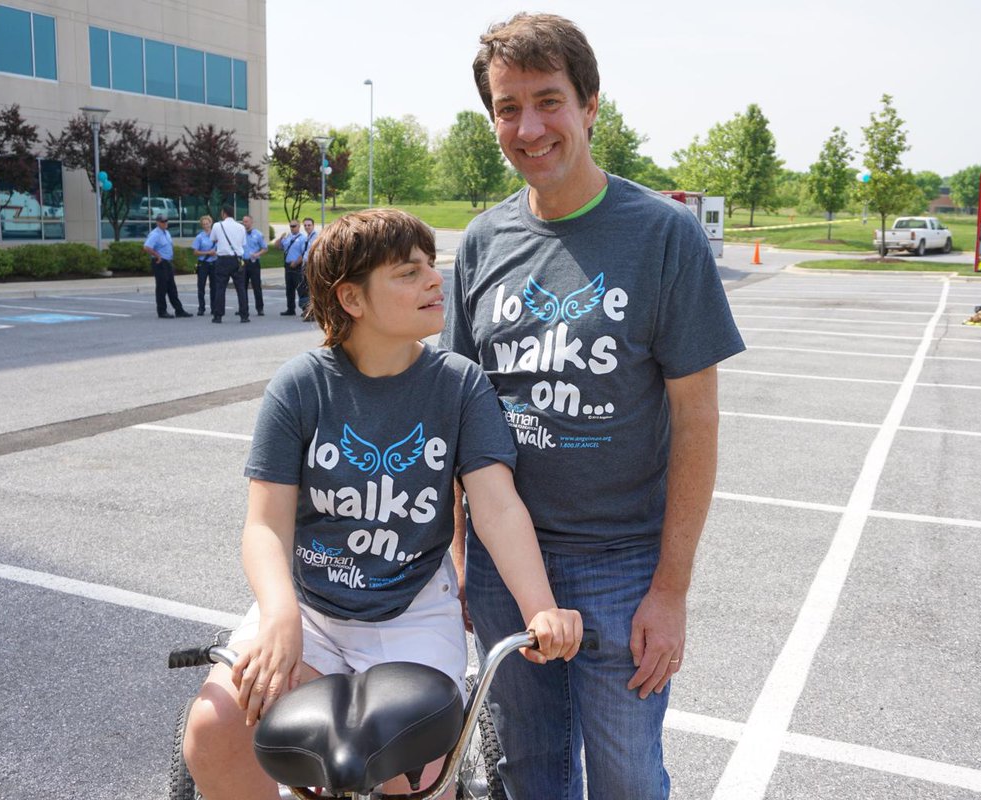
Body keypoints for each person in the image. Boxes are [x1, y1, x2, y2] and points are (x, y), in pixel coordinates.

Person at [440, 13, 745, 800]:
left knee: (628, 781)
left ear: (591, 106)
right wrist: (461, 555)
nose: (530, 126)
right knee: (529, 778)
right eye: (509, 107)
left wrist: (670, 589)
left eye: (549, 101)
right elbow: (458, 414)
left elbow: (697, 423)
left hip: (621, 564)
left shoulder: (663, 236)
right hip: (509, 571)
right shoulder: (481, 243)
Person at [182, 208, 583, 800]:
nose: (434, 280)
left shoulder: (460, 384)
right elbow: (264, 526)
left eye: (431, 266)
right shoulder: (300, 386)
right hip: (310, 612)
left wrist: (541, 607)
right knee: (213, 728)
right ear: (352, 298)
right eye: (408, 271)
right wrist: (279, 615)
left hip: (411, 615)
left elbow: (496, 507)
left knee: (409, 770)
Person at [142, 213, 191, 319]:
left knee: (172, 288)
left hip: (167, 262)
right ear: (158, 222)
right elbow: (146, 247)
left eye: (166, 221)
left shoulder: (166, 233)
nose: (165, 223)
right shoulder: (155, 234)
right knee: (162, 288)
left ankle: (179, 310)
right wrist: (157, 256)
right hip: (160, 263)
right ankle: (162, 311)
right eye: (162, 221)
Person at [210, 204, 250, 324]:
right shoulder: (241, 227)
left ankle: (218, 315)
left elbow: (213, 239)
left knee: (220, 288)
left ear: (224, 213)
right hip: (237, 259)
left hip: (223, 259)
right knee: (241, 288)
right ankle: (244, 315)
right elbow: (243, 243)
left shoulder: (217, 225)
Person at [273, 220, 307, 316]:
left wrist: (296, 263)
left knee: (300, 289)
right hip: (288, 266)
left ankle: (305, 309)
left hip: (297, 266)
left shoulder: (302, 239)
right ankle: (290, 309)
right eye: (291, 226)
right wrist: (280, 238)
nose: (292, 228)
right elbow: (277, 247)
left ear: (299, 226)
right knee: (289, 289)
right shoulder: (287, 237)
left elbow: (303, 253)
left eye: (294, 226)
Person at [241, 215, 268, 316]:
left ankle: (260, 308)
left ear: (251, 222)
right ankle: (243, 308)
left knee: (256, 286)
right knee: (242, 287)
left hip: (253, 263)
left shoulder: (258, 234)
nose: (245, 223)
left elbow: (265, 248)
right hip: (243, 263)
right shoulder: (241, 234)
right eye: (244, 222)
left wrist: (257, 254)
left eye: (247, 221)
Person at [192, 215, 218, 316]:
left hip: (214, 263)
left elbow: (221, 247)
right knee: (201, 286)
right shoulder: (199, 237)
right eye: (203, 224)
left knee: (214, 287)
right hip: (203, 264)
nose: (205, 225)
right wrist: (207, 253)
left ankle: (214, 307)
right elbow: (195, 252)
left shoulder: (216, 236)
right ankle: (201, 308)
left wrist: (216, 252)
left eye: (207, 223)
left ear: (211, 223)